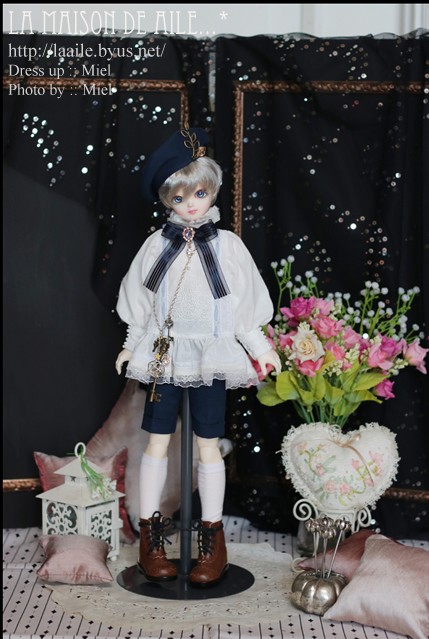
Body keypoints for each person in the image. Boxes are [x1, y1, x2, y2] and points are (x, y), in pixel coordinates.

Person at [115, 126, 281, 586]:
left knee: (209, 444)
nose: (191, 205)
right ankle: (150, 537)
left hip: (211, 354)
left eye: (200, 194)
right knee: (157, 442)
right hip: (165, 353)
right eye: (179, 198)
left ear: (213, 191)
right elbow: (141, 300)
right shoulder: (156, 245)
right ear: (167, 200)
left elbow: (243, 305)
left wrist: (261, 348)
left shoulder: (228, 246)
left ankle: (212, 538)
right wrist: (130, 343)